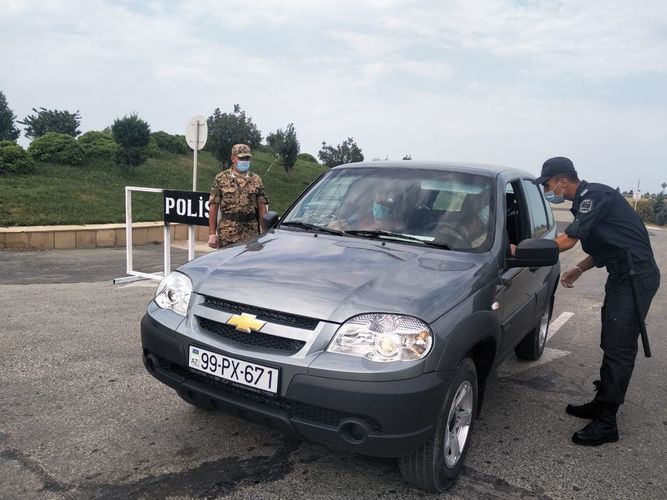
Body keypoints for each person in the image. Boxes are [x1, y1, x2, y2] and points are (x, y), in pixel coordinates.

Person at [532, 156, 660, 446]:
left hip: (636, 278)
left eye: (548, 185)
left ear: (562, 181)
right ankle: (602, 403)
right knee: (610, 341)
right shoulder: (585, 201)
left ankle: (607, 422)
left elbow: (568, 240)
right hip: (622, 275)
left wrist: (521, 251)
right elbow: (610, 245)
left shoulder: (594, 196)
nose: (547, 191)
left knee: (619, 348)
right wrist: (579, 268)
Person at [208, 144, 269, 249]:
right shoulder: (221, 178)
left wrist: (265, 233)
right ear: (233, 159)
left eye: (247, 158)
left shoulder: (256, 179)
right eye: (241, 158)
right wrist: (212, 234)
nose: (245, 161)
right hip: (228, 234)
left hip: (251, 233)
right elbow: (213, 206)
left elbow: (262, 207)